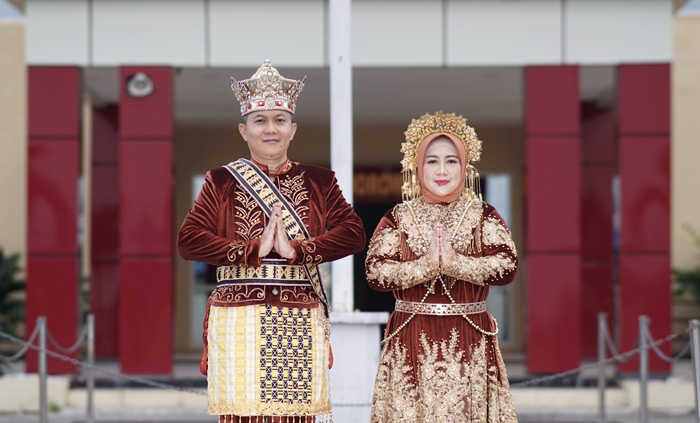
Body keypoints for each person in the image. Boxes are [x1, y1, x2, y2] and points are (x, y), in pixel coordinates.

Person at [178, 60, 365, 423]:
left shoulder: (319, 181)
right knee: (241, 416)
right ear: (243, 130)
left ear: (292, 129)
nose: (270, 129)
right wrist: (249, 251)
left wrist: (298, 249)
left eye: (279, 120)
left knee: (294, 416)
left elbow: (354, 233)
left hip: (298, 313)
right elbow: (189, 241)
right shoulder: (221, 181)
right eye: (260, 121)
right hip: (236, 316)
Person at [365, 111, 518, 422]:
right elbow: (375, 272)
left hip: (468, 339)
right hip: (412, 337)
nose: (442, 170)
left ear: (465, 166)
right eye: (432, 161)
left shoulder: (482, 214)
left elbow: (507, 265)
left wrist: (455, 263)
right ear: (418, 166)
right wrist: (425, 266)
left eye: (451, 161)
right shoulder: (398, 217)